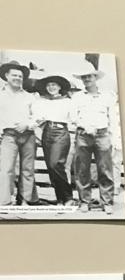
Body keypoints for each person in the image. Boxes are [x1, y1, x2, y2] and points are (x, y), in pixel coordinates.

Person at [70, 65, 117, 214]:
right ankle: (85, 201)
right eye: (84, 77)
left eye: (89, 76)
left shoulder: (107, 96)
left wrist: (113, 139)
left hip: (103, 135)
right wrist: (85, 126)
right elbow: (73, 117)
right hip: (83, 135)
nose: (86, 79)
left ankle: (107, 202)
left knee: (105, 169)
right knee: (82, 169)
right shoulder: (77, 97)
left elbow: (113, 119)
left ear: (95, 77)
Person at [31, 72, 74, 206]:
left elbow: (74, 119)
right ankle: (60, 198)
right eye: (49, 85)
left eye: (54, 85)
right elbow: (37, 118)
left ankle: (68, 198)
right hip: (47, 132)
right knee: (50, 166)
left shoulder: (68, 101)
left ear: (60, 87)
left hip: (61, 132)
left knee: (56, 164)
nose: (51, 87)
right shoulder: (42, 102)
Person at [0, 61, 37, 207]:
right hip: (9, 136)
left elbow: (38, 116)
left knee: (27, 168)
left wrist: (27, 124)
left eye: (20, 76)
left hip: (28, 136)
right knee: (7, 168)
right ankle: (4, 202)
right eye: (14, 75)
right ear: (6, 76)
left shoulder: (30, 97)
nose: (17, 78)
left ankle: (25, 200)